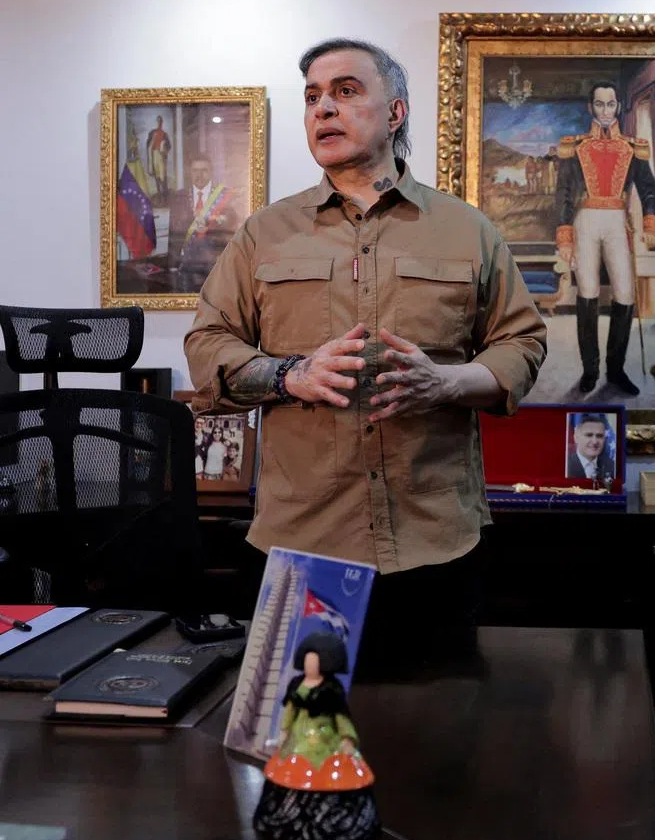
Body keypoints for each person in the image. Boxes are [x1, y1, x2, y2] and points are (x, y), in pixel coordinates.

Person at [184, 37, 547, 654]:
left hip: (435, 546)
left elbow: (524, 343)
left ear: (396, 111)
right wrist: (288, 375)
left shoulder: (467, 230)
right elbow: (206, 343)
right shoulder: (263, 236)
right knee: (306, 741)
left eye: (345, 91)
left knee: (438, 738)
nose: (323, 108)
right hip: (302, 547)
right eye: (312, 98)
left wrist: (447, 383)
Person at [555, 82, 655, 396]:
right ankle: (590, 370)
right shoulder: (574, 146)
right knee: (586, 292)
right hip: (585, 221)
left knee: (625, 293)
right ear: (591, 107)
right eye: (599, 105)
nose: (605, 111)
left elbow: (650, 189)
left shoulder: (633, 147)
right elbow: (562, 194)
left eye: (610, 104)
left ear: (618, 107)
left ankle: (615, 370)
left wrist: (650, 222)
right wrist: (564, 236)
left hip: (617, 221)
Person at [254, 631, 377, 840]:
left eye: (316, 660)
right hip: (300, 734)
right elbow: (290, 711)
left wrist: (347, 738)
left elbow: (341, 717)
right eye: (308, 659)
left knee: (332, 768)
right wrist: (284, 731)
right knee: (291, 767)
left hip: (326, 735)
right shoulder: (296, 685)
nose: (311, 665)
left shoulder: (332, 689)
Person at [168, 155, 240, 293]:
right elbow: (173, 232)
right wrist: (172, 265)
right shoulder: (179, 197)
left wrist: (211, 223)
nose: (199, 175)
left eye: (204, 170)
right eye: (195, 170)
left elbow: (232, 223)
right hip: (186, 264)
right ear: (190, 172)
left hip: (215, 263)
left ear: (211, 172)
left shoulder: (225, 196)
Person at [566, 413, 615, 485]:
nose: (595, 442)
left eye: (599, 436)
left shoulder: (611, 466)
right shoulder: (566, 464)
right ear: (576, 437)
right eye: (589, 435)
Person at [146, 114, 172, 199]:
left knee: (162, 175)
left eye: (160, 121)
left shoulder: (164, 134)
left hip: (161, 155)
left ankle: (164, 194)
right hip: (154, 155)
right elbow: (148, 144)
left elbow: (169, 146)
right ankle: (159, 193)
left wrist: (163, 148)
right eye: (158, 121)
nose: (159, 122)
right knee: (156, 175)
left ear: (162, 122)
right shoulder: (152, 133)